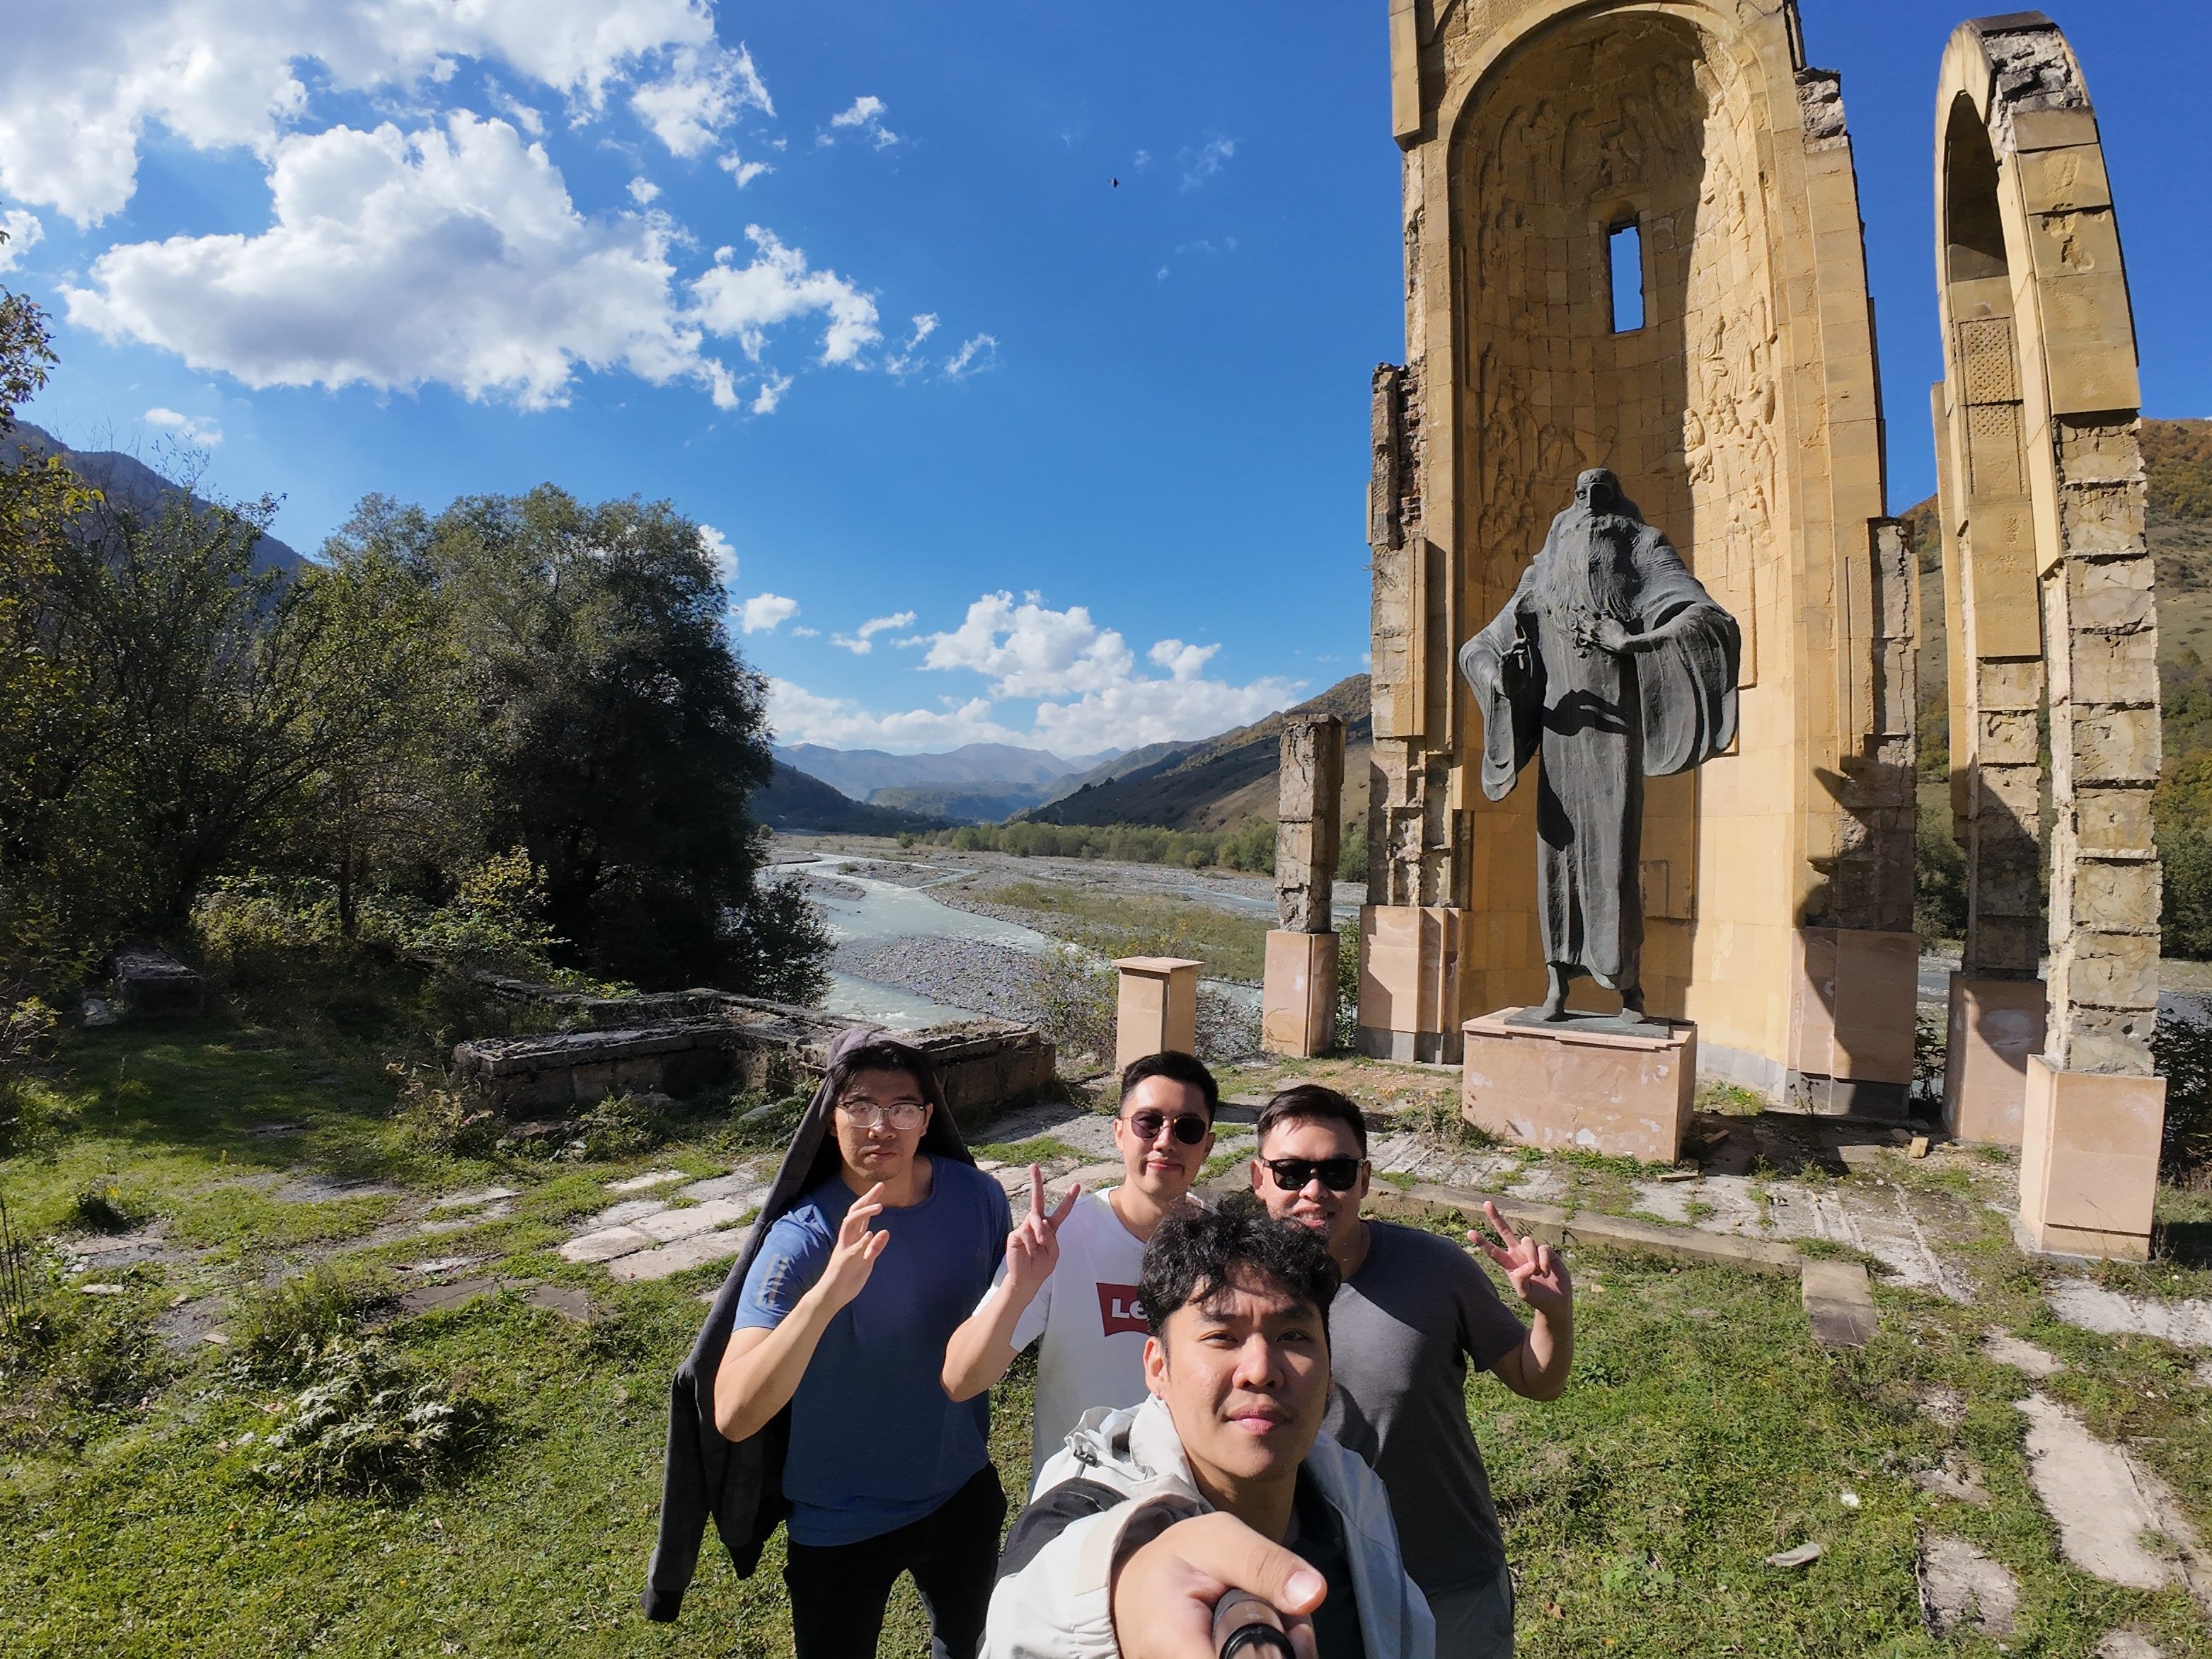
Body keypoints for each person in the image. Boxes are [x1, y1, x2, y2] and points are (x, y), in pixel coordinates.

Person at [666, 1032, 1012, 1658]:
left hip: (961, 1489)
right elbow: (735, 1414)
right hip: (841, 1520)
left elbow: (995, 1336)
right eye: (860, 1106)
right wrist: (827, 1295)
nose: (882, 1126)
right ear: (830, 1119)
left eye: (903, 1108)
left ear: (927, 1119)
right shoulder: (800, 1240)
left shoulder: (979, 1199)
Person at [986, 1202, 1434, 1659]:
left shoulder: (1356, 1496)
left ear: (1330, 1371)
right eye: (1222, 1337)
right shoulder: (1084, 1496)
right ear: (1158, 1368)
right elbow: (1024, 1612)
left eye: (1294, 1337)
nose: (1260, 1370)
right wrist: (1122, 1592)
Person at [1248, 1084, 1572, 1658]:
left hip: (1443, 1571)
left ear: (1366, 1180)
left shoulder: (1436, 1269)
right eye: (1291, 1172)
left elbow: (1537, 1380)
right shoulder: (1236, 1293)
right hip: (1303, 1576)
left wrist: (1553, 1315)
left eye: (1338, 1171)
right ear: (1259, 1179)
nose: (1315, 1192)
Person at [1457, 466, 1739, 1021]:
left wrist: (1634, 640)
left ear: (1617, 500)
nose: (1588, 500)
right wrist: (1503, 680)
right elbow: (1481, 645)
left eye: (1601, 490)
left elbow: (1707, 617)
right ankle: (1557, 983)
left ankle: (1626, 988)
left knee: (1613, 858)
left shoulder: (1642, 547)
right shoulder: (1542, 572)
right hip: (1563, 731)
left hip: (1615, 734)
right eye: (1580, 492)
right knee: (1556, 857)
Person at [943, 1050, 1219, 1481]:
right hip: (1079, 1504)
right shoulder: (1064, 1239)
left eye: (1187, 1128)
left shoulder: (1226, 1252)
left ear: (1207, 1146)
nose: (1166, 1141)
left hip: (1191, 1498)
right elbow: (961, 1379)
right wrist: (1019, 1288)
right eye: (1148, 1122)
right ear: (1119, 1134)